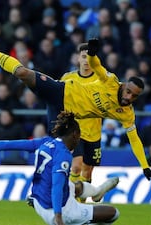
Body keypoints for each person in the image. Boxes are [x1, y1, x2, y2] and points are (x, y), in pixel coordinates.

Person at [0, 31, 151, 182]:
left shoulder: (127, 113)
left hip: (66, 117)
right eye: (129, 92)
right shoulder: (110, 81)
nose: (129, 97)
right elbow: (98, 66)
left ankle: (74, 199)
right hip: (61, 92)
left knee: (77, 167)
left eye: (134, 96)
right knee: (23, 73)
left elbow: (134, 139)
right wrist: (92, 54)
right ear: (124, 85)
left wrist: (144, 166)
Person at [0, 111, 120, 225]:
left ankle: (97, 192)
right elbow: (56, 185)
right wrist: (58, 216)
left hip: (38, 199)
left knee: (74, 187)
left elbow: (9, 144)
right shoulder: (63, 155)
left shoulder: (45, 142)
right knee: (113, 214)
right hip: (62, 211)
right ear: (75, 135)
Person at [60, 43, 102, 189]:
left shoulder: (101, 79)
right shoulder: (67, 78)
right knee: (76, 166)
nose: (86, 61)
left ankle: (80, 203)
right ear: (78, 58)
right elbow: (58, 98)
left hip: (94, 132)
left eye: (89, 57)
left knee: (87, 172)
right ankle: (70, 199)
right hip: (74, 131)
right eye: (83, 57)